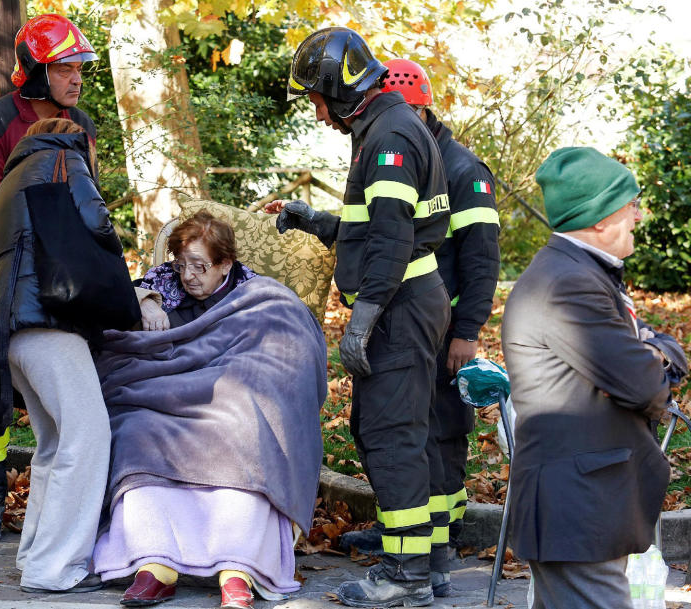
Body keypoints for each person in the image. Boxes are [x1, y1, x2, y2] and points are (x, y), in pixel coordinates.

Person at [269, 28, 451, 607]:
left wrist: (362, 320)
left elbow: (393, 241)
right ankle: (425, 564)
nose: (318, 114)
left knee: (389, 437)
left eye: (317, 100)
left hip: (399, 306)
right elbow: (372, 223)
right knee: (398, 434)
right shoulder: (385, 128)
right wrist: (313, 220)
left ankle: (406, 578)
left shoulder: (389, 137)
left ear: (340, 90)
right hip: (409, 302)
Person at [92, 212, 327, 609]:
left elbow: (289, 348)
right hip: (160, 395)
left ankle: (237, 569)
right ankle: (155, 565)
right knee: (136, 432)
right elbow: (114, 319)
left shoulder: (257, 296)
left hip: (228, 398)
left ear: (225, 265)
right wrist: (144, 300)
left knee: (247, 429)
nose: (188, 276)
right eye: (182, 265)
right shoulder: (161, 284)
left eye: (200, 266)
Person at [338, 58, 500, 597]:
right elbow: (375, 231)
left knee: (431, 433)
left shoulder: (460, 168)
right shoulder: (407, 145)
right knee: (403, 431)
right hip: (421, 311)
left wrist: (468, 330)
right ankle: (416, 545)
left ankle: (430, 552)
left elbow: (480, 260)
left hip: (427, 318)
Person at [502, 147, 688, 609]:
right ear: (600, 218)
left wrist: (651, 354)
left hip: (585, 503)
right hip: (578, 507)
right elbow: (645, 386)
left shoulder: (582, 273)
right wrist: (648, 358)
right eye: (631, 207)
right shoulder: (567, 283)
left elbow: (656, 357)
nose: (638, 217)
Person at [0, 118, 135, 593]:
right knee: (88, 437)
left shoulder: (9, 181)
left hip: (11, 333)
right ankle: (57, 568)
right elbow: (96, 222)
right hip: (49, 324)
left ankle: (34, 556)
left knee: (53, 444)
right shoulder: (65, 158)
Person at [0, 13, 99, 542]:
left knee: (59, 382)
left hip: (52, 268)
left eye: (79, 68)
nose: (76, 78)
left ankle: (57, 499)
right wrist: (42, 210)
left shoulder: (80, 124)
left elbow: (87, 198)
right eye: (64, 69)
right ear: (35, 71)